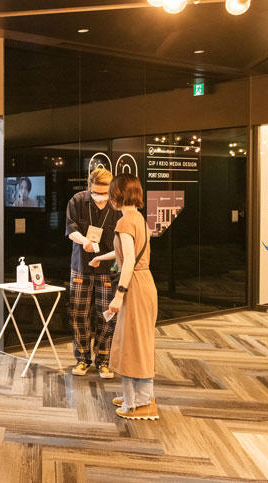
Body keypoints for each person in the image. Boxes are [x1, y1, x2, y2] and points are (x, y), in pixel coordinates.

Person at [90, 174, 158, 420]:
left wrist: (119, 295)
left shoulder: (124, 222)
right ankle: (139, 396)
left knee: (132, 344)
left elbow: (128, 261)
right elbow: (126, 254)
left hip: (134, 286)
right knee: (139, 341)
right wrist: (101, 257)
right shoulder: (138, 218)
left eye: (110, 192)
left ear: (117, 195)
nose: (107, 197)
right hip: (144, 282)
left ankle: (138, 402)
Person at [66, 168, 122, 378]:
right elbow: (71, 230)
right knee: (78, 314)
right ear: (89, 187)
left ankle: (103, 360)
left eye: (104, 193)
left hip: (108, 268)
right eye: (96, 192)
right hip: (81, 265)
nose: (100, 197)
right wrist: (84, 241)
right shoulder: (77, 201)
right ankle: (82, 359)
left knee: (107, 315)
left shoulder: (117, 205)